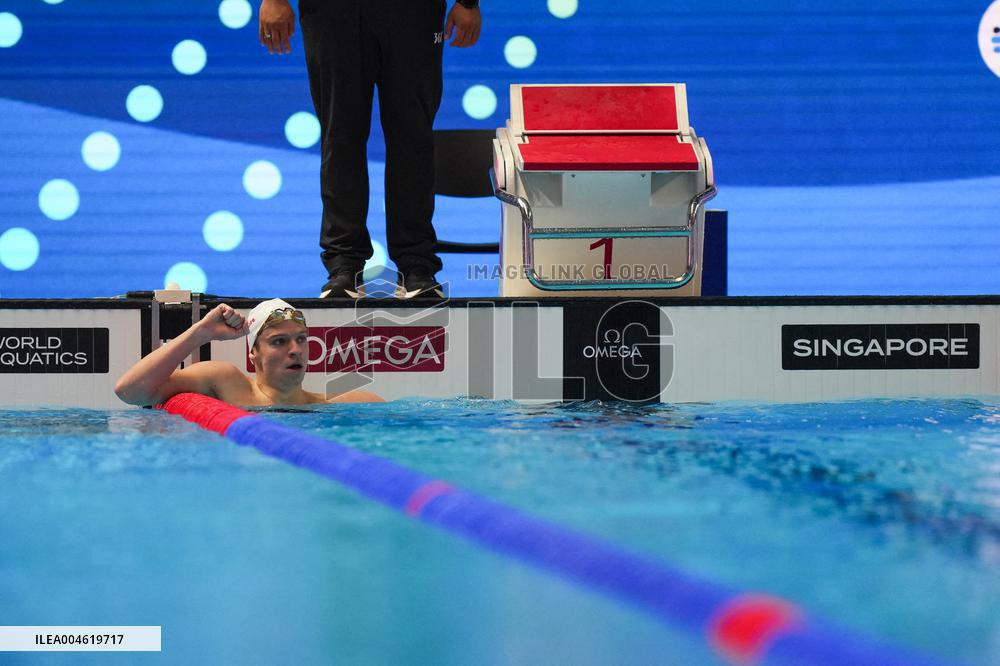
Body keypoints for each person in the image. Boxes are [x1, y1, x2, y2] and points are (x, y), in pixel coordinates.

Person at [257, 0, 483, 299]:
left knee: (413, 139)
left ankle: (416, 265)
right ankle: (344, 266)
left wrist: (468, 2)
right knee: (340, 139)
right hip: (332, 13)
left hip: (414, 13)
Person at [114, 299, 383, 407]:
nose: (295, 350)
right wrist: (201, 333)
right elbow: (130, 391)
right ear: (253, 354)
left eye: (301, 339)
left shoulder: (354, 403)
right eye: (279, 342)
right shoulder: (226, 383)